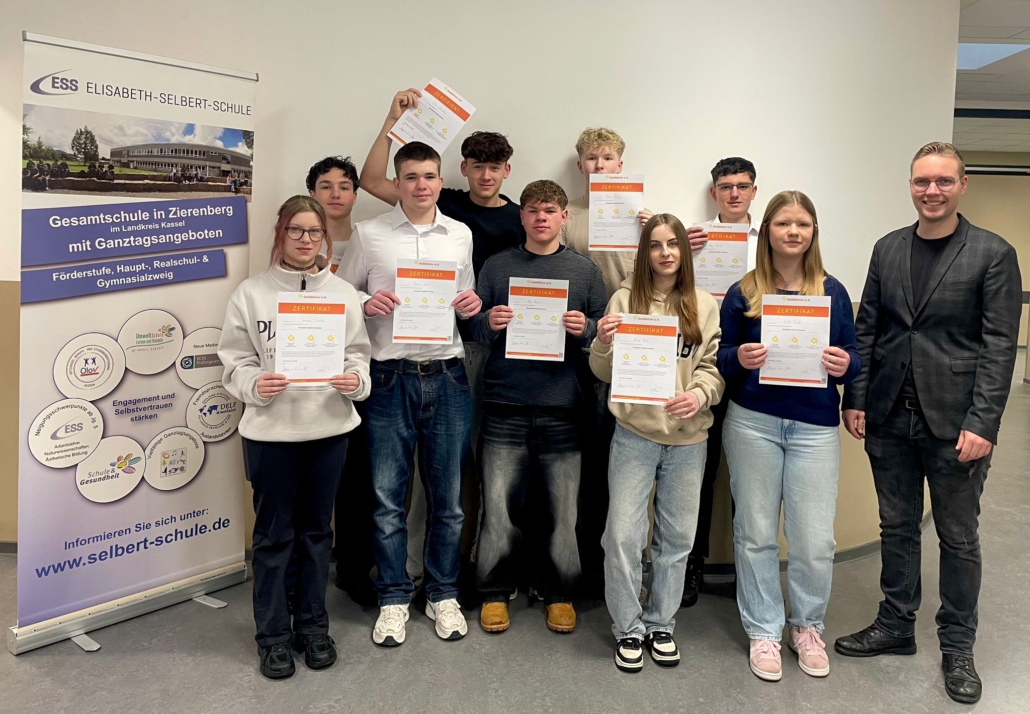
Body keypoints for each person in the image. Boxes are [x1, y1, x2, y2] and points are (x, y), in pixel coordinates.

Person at [835, 142, 1022, 705]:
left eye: (943, 181)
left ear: (963, 185)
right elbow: (868, 329)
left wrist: (984, 422)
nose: (931, 191)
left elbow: (999, 346)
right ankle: (896, 623)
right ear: (911, 185)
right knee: (896, 526)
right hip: (890, 415)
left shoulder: (993, 253)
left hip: (957, 422)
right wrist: (856, 397)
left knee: (957, 537)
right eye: (922, 181)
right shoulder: (888, 248)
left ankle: (958, 646)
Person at [360, 89, 524, 587]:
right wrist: (392, 119)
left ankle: (457, 577)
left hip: (482, 350)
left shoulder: (505, 220)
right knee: (397, 492)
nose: (486, 175)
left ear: (507, 171)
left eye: (495, 167)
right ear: (463, 169)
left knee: (460, 477)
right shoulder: (432, 207)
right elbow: (371, 180)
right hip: (403, 362)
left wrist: (476, 307)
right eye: (477, 166)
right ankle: (404, 580)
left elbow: (480, 285)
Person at [218, 195, 371, 680]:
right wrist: (253, 383)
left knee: (317, 534)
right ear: (280, 233)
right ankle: (272, 636)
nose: (306, 240)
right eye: (296, 230)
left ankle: (312, 626)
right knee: (273, 536)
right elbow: (235, 359)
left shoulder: (342, 293)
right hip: (271, 433)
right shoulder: (251, 293)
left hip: (328, 430)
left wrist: (355, 380)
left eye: (314, 232)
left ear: (325, 237)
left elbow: (358, 354)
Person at [339, 140, 481, 647]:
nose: (422, 185)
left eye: (430, 176)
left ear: (441, 181)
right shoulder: (369, 233)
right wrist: (364, 301)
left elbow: (465, 298)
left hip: (447, 376)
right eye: (412, 177)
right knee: (386, 499)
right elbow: (342, 295)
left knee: (448, 500)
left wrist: (469, 303)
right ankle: (394, 596)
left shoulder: (460, 234)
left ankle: (442, 593)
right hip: (388, 379)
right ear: (397, 183)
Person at [718, 190, 860, 682]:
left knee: (814, 539)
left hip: (814, 428)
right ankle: (763, 629)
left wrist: (845, 365)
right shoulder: (743, 292)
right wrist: (739, 358)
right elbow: (722, 356)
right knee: (755, 533)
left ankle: (806, 626)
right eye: (783, 223)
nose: (793, 232)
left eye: (802, 223)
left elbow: (854, 356)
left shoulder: (833, 292)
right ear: (767, 232)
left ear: (814, 231)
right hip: (752, 422)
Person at [470, 180, 607, 635]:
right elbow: (473, 329)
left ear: (564, 217)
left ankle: (559, 591)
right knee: (498, 507)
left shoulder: (584, 271)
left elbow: (604, 329)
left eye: (550, 210)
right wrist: (488, 321)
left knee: (562, 511)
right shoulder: (497, 266)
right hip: (504, 402)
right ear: (522, 216)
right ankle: (494, 590)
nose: (541, 218)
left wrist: (586, 329)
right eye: (532, 210)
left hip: (562, 405)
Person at [590, 214, 724, 672]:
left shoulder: (704, 303)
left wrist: (700, 394)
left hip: (689, 440)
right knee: (622, 536)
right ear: (643, 252)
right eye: (655, 245)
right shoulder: (624, 299)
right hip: (634, 435)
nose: (665, 253)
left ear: (685, 250)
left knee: (677, 538)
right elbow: (603, 372)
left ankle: (660, 623)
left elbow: (711, 367)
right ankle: (628, 627)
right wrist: (602, 343)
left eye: (673, 244)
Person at [677, 157, 761, 607]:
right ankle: (691, 564)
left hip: (753, 366)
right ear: (714, 193)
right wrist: (684, 254)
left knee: (749, 476)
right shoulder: (693, 238)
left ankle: (750, 573)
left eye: (742, 186)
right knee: (700, 472)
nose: (733, 193)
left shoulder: (769, 240)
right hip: (703, 363)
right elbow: (672, 288)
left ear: (753, 192)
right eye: (726, 186)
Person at [558, 127, 635, 594]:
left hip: (629, 356)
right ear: (581, 166)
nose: (599, 166)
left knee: (619, 465)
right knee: (577, 464)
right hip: (578, 351)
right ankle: (580, 566)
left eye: (607, 158)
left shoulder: (642, 216)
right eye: (591, 158)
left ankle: (615, 569)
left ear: (620, 165)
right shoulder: (569, 216)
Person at [305, 155, 376, 606]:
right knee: (311, 475)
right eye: (326, 186)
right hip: (304, 372)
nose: (335, 194)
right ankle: (305, 566)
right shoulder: (298, 242)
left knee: (358, 477)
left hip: (357, 369)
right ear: (311, 193)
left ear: (355, 194)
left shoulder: (371, 239)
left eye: (344, 186)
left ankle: (353, 567)